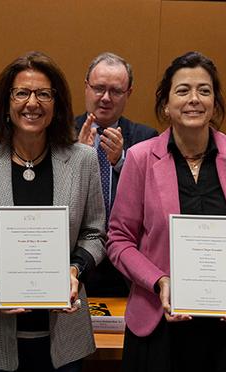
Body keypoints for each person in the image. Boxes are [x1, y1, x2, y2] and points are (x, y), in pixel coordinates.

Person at [106, 51, 226, 372]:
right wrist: (160, 282)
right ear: (166, 104)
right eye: (183, 90)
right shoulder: (141, 158)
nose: (194, 99)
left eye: (204, 90)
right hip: (158, 326)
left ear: (215, 102)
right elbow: (119, 239)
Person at [0, 51, 106, 372]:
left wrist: (75, 269)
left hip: (63, 338)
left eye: (43, 94)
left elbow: (96, 234)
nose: (32, 103)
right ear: (7, 103)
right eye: (22, 93)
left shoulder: (83, 161)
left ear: (56, 103)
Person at [75, 52, 159, 298]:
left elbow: (155, 198)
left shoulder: (146, 138)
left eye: (116, 91)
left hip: (125, 261)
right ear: (86, 87)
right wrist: (78, 159)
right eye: (99, 88)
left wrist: (122, 163)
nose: (105, 98)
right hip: (75, 257)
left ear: (129, 93)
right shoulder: (61, 135)